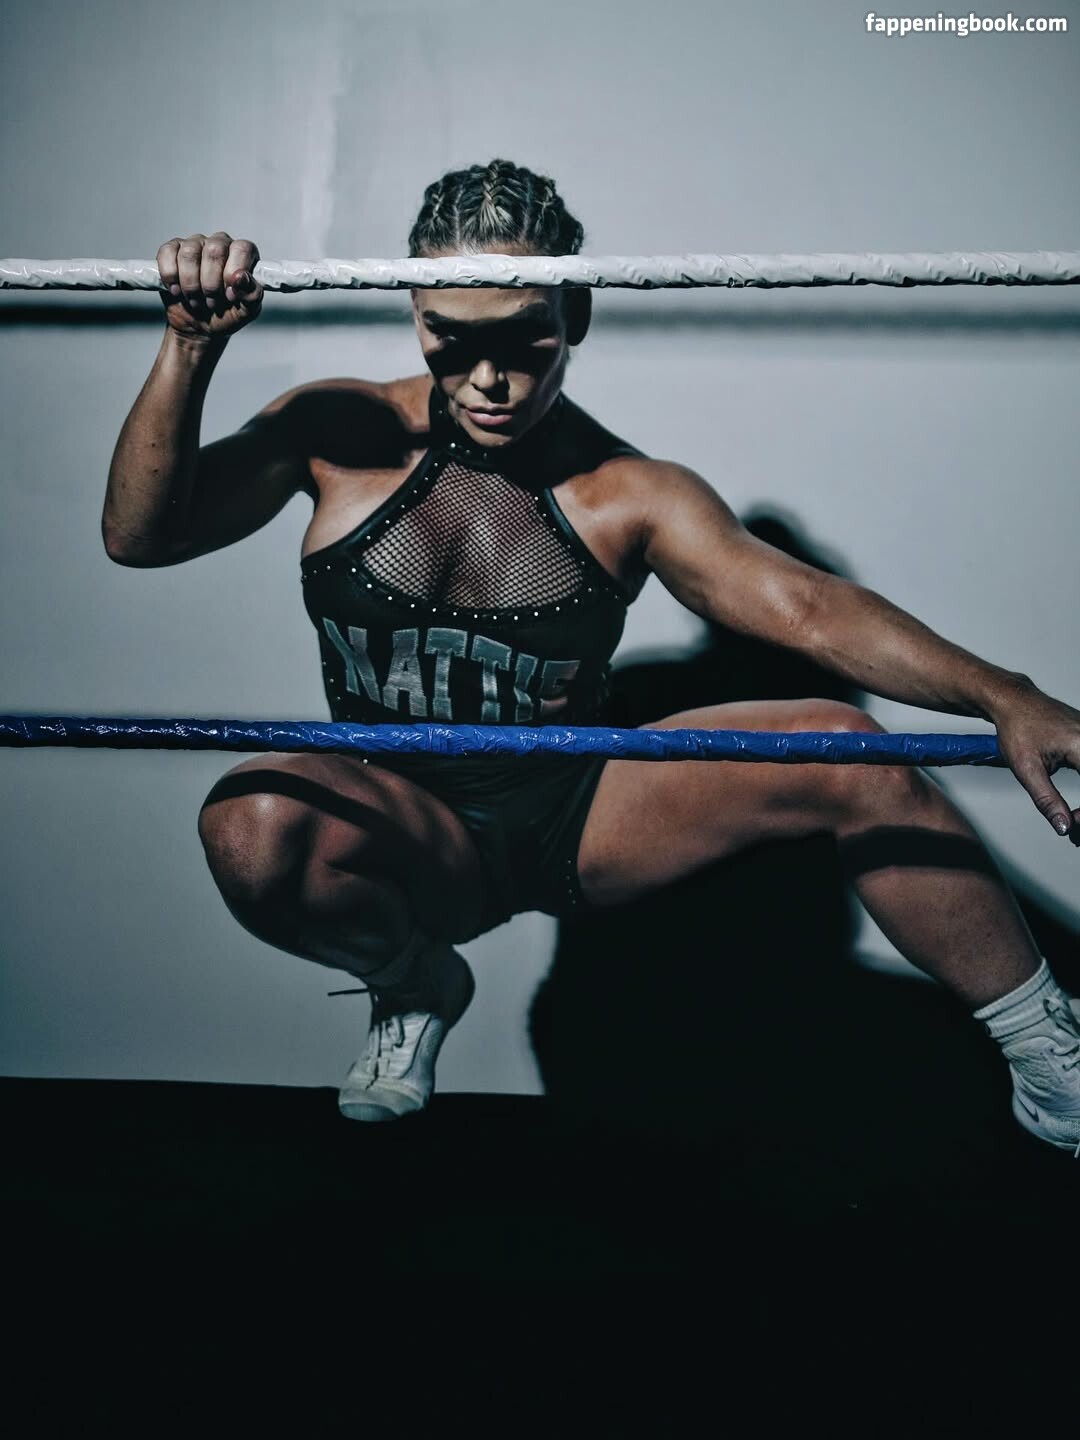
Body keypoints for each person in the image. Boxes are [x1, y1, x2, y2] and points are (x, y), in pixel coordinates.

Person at [103, 159, 1080, 1151]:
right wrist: (190, 346)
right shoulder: (338, 433)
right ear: (415, 312)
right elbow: (142, 536)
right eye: (452, 339)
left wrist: (1006, 695)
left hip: (576, 817)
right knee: (251, 821)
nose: (489, 379)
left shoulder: (630, 493)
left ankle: (1053, 1057)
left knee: (850, 749)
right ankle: (414, 983)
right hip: (408, 824)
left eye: (524, 337)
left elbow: (810, 610)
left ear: (576, 312)